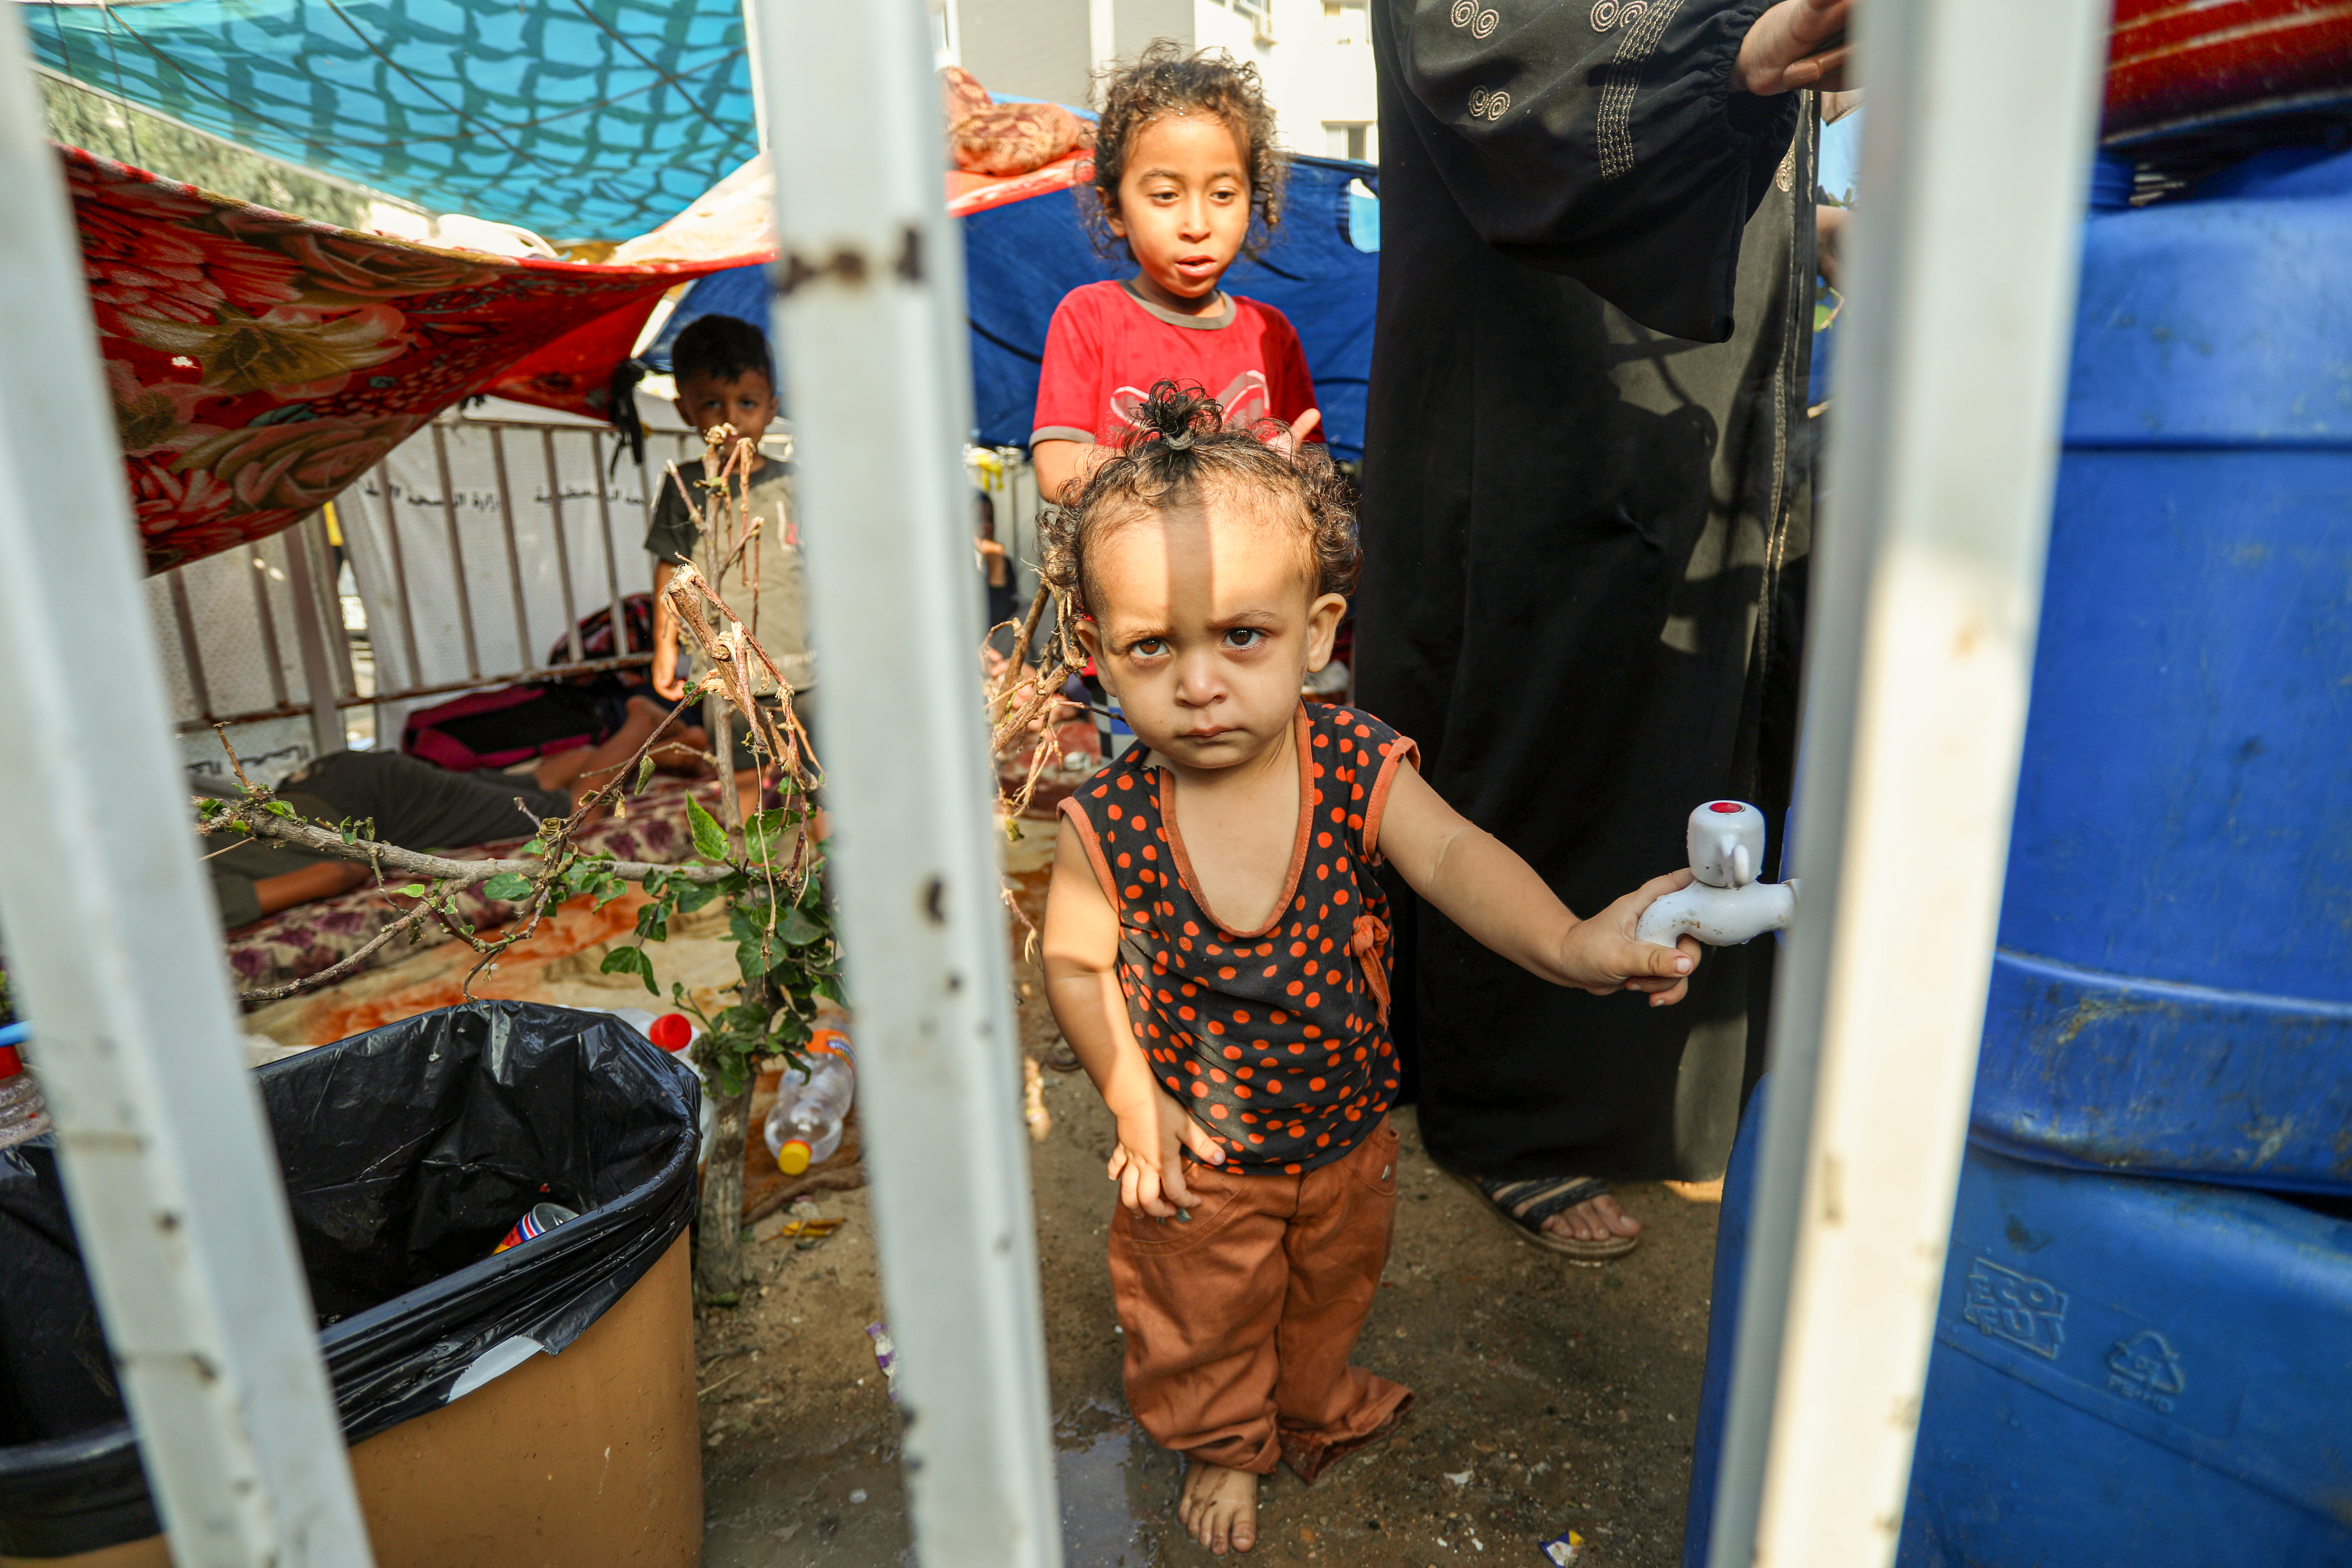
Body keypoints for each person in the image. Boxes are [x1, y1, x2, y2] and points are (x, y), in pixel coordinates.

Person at [1040, 384, 1701, 1556]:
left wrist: (1569, 942)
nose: (1201, 683)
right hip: (1206, 1153)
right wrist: (1135, 1103)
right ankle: (1221, 1441)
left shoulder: (1349, 759)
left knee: (1326, 1293)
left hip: (1347, 1137)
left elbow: (1450, 854)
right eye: (1154, 647)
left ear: (1318, 631)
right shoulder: (1111, 824)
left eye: (1241, 635)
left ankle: (1300, 1397)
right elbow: (1079, 966)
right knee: (1202, 1318)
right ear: (1098, 655)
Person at [1352, 0, 1848, 1255]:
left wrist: (1811, 225)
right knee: (1546, 697)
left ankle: (1671, 1100)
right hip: (1536, 369)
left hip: (1710, 375)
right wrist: (1736, 56)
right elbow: (1488, 52)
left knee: (1701, 693)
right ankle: (1523, 1118)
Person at [1029, 42, 1326, 507]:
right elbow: (1057, 465)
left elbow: (1308, 462)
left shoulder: (1273, 333)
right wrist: (1192, 475)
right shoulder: (1090, 316)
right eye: (1166, 194)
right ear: (1114, 208)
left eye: (1224, 194)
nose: (1197, 226)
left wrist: (1291, 469)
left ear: (1254, 200)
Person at [202, 697, 685, 932]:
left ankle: (642, 721)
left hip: (373, 802)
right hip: (331, 783)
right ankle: (662, 752)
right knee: (530, 789)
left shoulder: (193, 909)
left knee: (573, 816)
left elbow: (335, 871)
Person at [646, 314, 815, 737]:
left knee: (817, 778)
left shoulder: (795, 482)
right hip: (725, 666)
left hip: (806, 666)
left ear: (772, 407)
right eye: (711, 404)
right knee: (741, 774)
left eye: (748, 402)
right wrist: (664, 645)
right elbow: (670, 569)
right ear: (685, 410)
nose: (731, 418)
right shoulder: (683, 486)